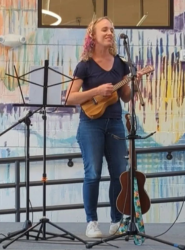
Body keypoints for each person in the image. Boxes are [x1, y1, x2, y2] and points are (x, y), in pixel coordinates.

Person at [65, 16, 140, 238]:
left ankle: (116, 221)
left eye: (112, 30)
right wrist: (96, 91)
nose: (110, 32)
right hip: (91, 124)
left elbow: (125, 98)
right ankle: (92, 222)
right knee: (93, 173)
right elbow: (70, 97)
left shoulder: (120, 63)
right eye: (104, 29)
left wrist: (135, 84)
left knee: (119, 173)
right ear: (93, 36)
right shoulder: (85, 65)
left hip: (115, 122)